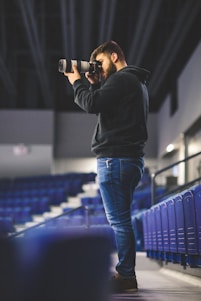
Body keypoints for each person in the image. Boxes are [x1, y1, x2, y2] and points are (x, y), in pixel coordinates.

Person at [64, 40, 150, 293]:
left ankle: (126, 276)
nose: (97, 68)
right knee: (122, 220)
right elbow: (105, 102)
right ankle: (126, 273)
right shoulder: (135, 82)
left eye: (100, 62)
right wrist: (95, 84)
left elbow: (91, 104)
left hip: (115, 160)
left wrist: (76, 81)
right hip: (130, 160)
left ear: (114, 56)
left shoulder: (122, 79)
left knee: (119, 221)